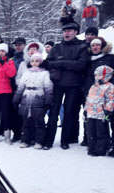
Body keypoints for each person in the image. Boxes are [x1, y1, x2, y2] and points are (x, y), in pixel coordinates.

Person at [44, 20, 89, 150]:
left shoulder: (82, 47)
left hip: (74, 85)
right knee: (53, 112)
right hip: (57, 83)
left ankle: (65, 140)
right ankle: (48, 140)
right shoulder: (57, 47)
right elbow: (48, 63)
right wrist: (68, 63)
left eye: (69, 31)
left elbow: (81, 65)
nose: (66, 33)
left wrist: (61, 63)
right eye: (64, 31)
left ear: (75, 32)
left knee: (69, 113)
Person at [12, 53, 53, 149]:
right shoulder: (26, 73)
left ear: (41, 62)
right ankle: (25, 140)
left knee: (39, 121)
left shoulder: (45, 73)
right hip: (26, 97)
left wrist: (48, 101)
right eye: (33, 61)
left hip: (38, 96)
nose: (34, 63)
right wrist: (16, 99)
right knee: (26, 121)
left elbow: (48, 87)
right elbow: (21, 86)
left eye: (37, 61)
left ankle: (39, 140)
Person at [84, 65, 114, 156]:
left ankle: (101, 149)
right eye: (96, 75)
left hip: (101, 114)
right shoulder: (93, 86)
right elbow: (89, 99)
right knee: (90, 131)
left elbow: (111, 99)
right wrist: (86, 110)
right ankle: (92, 148)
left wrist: (108, 110)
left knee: (101, 132)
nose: (97, 77)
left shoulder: (110, 87)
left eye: (99, 75)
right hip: (91, 114)